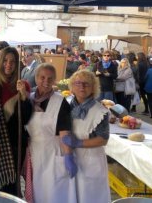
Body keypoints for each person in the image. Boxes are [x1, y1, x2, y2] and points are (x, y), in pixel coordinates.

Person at [0, 47, 33, 196]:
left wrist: (23, 96)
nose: (8, 65)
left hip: (15, 144)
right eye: (5, 61)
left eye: (13, 62)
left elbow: (27, 118)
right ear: (0, 62)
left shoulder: (22, 85)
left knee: (11, 187)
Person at [25, 63, 76, 203]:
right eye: (42, 77)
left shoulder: (60, 102)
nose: (46, 81)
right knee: (38, 193)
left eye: (50, 78)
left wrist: (68, 156)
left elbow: (64, 131)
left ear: (54, 80)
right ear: (36, 78)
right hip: (35, 154)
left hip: (54, 153)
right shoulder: (29, 99)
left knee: (55, 194)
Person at [62, 70, 111, 203]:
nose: (82, 87)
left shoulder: (100, 111)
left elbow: (103, 139)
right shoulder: (66, 105)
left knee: (90, 197)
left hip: (92, 162)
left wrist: (78, 143)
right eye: (77, 83)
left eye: (86, 84)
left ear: (93, 87)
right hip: (71, 157)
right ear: (72, 86)